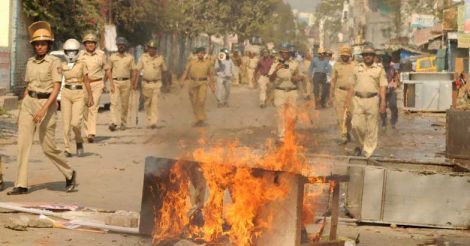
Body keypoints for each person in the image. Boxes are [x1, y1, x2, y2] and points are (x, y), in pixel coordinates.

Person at [8, 21, 76, 195]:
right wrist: (21, 109)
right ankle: (21, 184)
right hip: (29, 103)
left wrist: (44, 108)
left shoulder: (54, 62)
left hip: (47, 105)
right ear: (33, 45)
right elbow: (28, 86)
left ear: (48, 45)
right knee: (23, 144)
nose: (40, 47)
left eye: (43, 43)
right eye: (37, 44)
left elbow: (56, 87)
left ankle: (69, 173)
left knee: (48, 147)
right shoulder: (30, 62)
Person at [346, 47, 387, 158]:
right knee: (355, 125)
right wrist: (348, 102)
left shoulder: (379, 69)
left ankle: (368, 152)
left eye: (369, 54)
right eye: (365, 54)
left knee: (372, 127)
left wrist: (383, 102)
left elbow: (383, 87)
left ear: (374, 56)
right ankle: (362, 145)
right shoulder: (356, 68)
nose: (367, 56)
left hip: (373, 100)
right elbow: (351, 86)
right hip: (358, 100)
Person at [61, 38, 93, 157]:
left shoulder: (82, 64)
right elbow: (56, 81)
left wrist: (90, 96)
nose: (71, 54)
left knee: (75, 123)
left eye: (73, 51)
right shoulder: (62, 65)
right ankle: (67, 148)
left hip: (79, 93)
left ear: (77, 52)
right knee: (65, 123)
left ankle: (79, 141)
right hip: (66, 93)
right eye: (68, 51)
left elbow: (86, 81)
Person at [79, 32, 111, 143]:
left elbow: (107, 69)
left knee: (93, 106)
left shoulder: (101, 55)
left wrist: (105, 83)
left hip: (97, 84)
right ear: (84, 44)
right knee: (85, 109)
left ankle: (91, 133)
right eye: (88, 43)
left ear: (95, 44)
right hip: (83, 84)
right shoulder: (80, 55)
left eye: (92, 42)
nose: (90, 45)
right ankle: (87, 131)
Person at [269, 43, 302, 143]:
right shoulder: (275, 63)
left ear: (290, 53)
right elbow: (271, 78)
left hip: (292, 92)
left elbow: (300, 76)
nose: (284, 55)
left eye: (286, 53)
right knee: (280, 115)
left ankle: (290, 132)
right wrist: (276, 69)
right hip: (280, 91)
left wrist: (296, 78)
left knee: (293, 116)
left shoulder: (295, 63)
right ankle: (282, 137)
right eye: (282, 53)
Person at [134, 40, 167, 129]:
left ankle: (153, 122)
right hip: (146, 84)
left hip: (157, 84)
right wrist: (135, 82)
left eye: (154, 49)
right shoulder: (143, 57)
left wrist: (166, 83)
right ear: (147, 49)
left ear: (156, 49)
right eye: (150, 48)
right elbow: (137, 70)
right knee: (147, 104)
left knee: (155, 103)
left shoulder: (160, 58)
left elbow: (164, 71)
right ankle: (149, 119)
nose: (152, 50)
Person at [180, 47, 215, 127]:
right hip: (192, 83)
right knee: (194, 101)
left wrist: (212, 86)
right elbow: (186, 71)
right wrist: (182, 80)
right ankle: (198, 119)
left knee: (201, 100)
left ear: (204, 54)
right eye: (199, 53)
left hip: (203, 83)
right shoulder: (192, 62)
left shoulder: (208, 63)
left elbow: (211, 75)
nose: (201, 54)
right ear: (197, 53)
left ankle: (201, 118)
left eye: (202, 53)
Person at [108, 37, 135, 131]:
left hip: (126, 82)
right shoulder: (112, 57)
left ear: (125, 46)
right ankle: (114, 122)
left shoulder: (130, 58)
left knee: (124, 104)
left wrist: (133, 83)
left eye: (123, 45)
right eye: (119, 45)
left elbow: (133, 71)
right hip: (115, 82)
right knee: (114, 103)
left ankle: (123, 122)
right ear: (117, 46)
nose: (121, 46)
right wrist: (109, 83)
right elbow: (109, 71)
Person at [329, 45, 355, 144]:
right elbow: (333, 81)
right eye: (343, 55)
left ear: (350, 55)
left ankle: (347, 130)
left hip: (352, 93)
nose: (344, 57)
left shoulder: (355, 65)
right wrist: (331, 95)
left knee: (350, 115)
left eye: (347, 55)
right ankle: (343, 135)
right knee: (340, 115)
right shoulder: (336, 65)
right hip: (339, 92)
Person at [380, 54, 399, 129]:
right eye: (384, 62)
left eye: (387, 62)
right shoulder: (379, 69)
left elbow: (396, 76)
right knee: (382, 107)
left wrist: (395, 84)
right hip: (381, 90)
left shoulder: (393, 67)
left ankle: (393, 121)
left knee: (393, 105)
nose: (386, 64)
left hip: (390, 89)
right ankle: (384, 121)